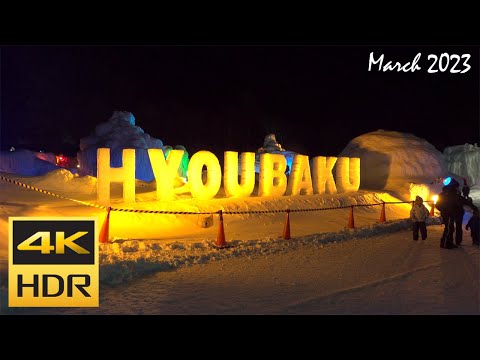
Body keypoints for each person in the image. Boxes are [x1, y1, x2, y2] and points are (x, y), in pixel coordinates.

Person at [436, 179, 463, 249]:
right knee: (448, 228)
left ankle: (449, 242)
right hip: (448, 214)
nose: (457, 189)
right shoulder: (450, 194)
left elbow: (438, 205)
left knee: (450, 228)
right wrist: (445, 210)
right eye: (455, 187)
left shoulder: (445, 194)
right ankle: (445, 243)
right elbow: (438, 205)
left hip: (449, 213)